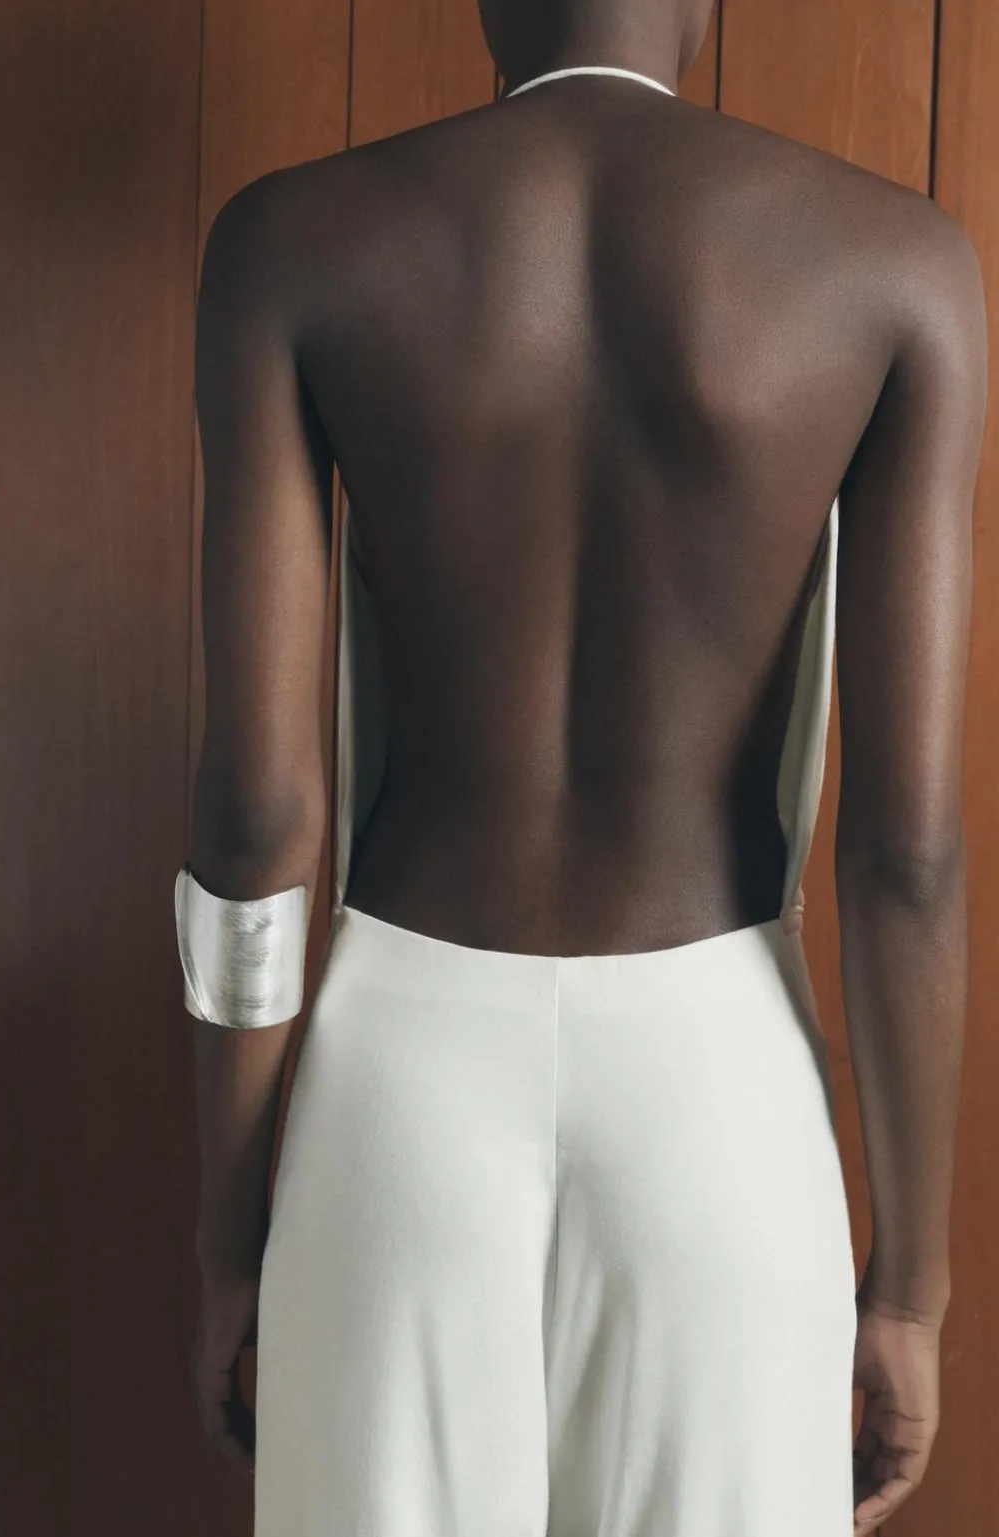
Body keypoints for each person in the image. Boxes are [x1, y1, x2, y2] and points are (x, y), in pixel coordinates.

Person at [177, 2, 987, 1533]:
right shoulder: (897, 265)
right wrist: (910, 1293)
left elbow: (257, 821)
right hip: (722, 1102)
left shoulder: (289, 245)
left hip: (396, 1088)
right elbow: (910, 861)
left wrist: (231, 1237)